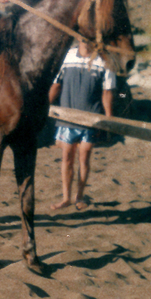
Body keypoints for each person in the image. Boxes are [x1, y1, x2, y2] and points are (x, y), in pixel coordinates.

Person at [48, 38, 115, 211]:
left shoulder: (104, 60)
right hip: (67, 116)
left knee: (84, 156)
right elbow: (57, 83)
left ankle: (79, 196)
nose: (86, 39)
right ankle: (66, 198)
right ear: (77, 37)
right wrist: (44, 104)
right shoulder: (67, 56)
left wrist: (108, 119)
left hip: (89, 118)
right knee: (67, 156)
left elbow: (107, 92)